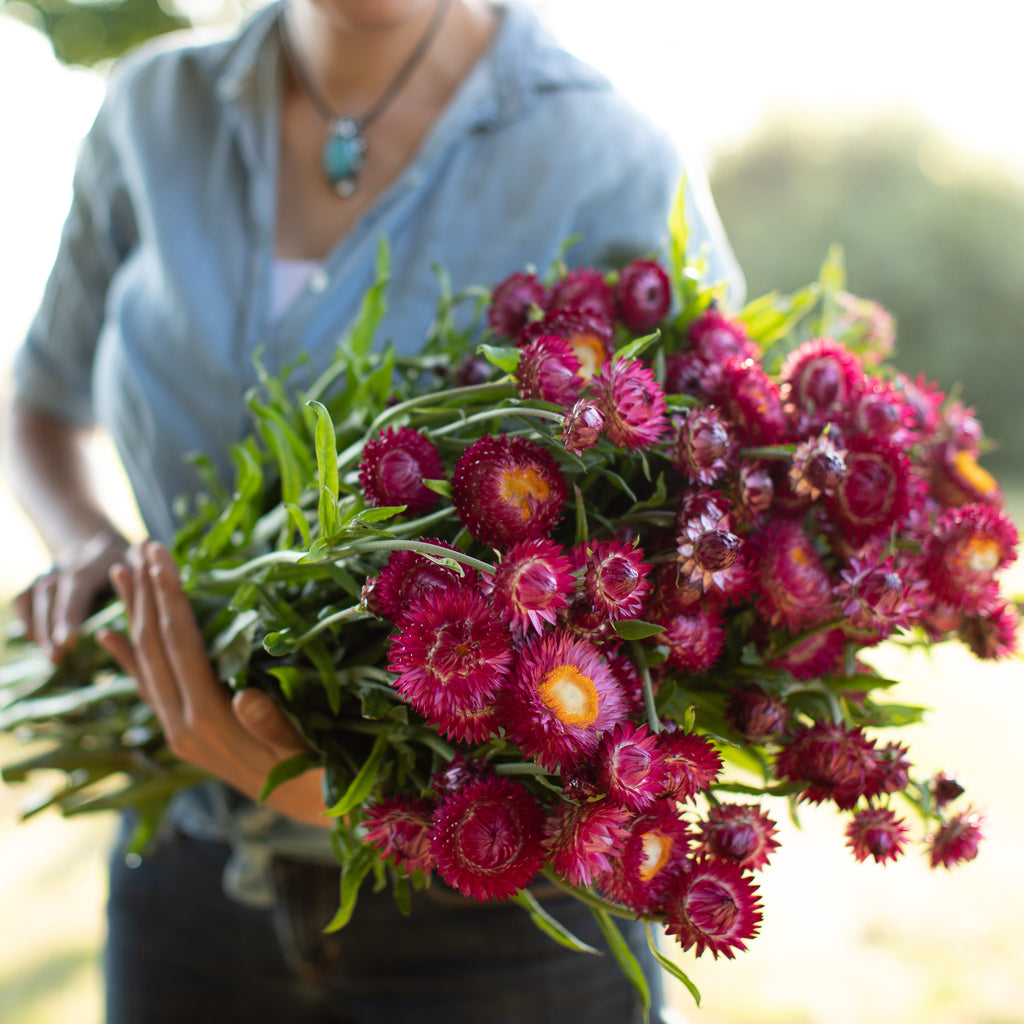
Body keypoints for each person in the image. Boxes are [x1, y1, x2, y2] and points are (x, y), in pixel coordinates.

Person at [6, 1, 743, 1021]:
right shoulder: (151, 111)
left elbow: (700, 562)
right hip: (184, 863)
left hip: (501, 925)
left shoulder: (609, 152)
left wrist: (382, 797)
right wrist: (88, 546)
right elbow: (42, 405)